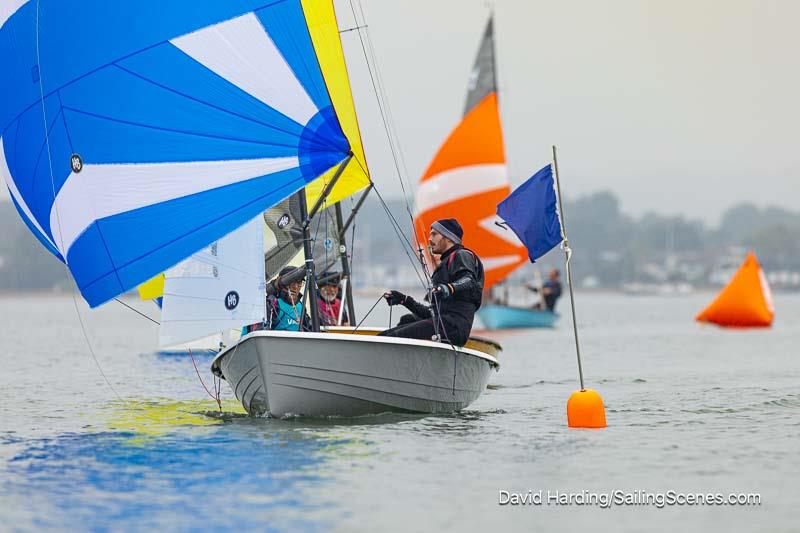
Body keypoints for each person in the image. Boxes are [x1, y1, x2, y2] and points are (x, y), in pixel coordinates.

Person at [378, 218, 484, 347]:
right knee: (405, 320)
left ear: (449, 238)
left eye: (434, 234)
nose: (429, 239)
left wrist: (448, 288)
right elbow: (431, 314)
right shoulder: (445, 264)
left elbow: (469, 280)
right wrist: (404, 300)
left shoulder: (461, 255)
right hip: (444, 323)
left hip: (453, 327)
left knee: (386, 339)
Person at [243, 266, 311, 334]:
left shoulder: (300, 306)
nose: (295, 287)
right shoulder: (270, 303)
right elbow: (260, 335)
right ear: (280, 283)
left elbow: (310, 331)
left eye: (299, 282)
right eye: (291, 281)